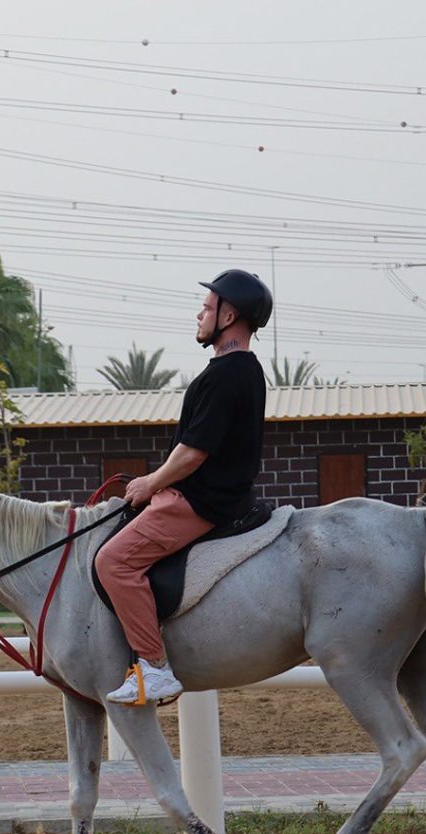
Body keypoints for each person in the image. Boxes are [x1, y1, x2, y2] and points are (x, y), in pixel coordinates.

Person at [96, 269, 272, 705]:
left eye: (208, 308)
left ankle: (155, 669)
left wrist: (150, 483)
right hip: (203, 496)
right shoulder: (236, 371)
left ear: (229, 315)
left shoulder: (227, 374)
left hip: (202, 502)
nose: (199, 314)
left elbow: (194, 452)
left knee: (113, 562)